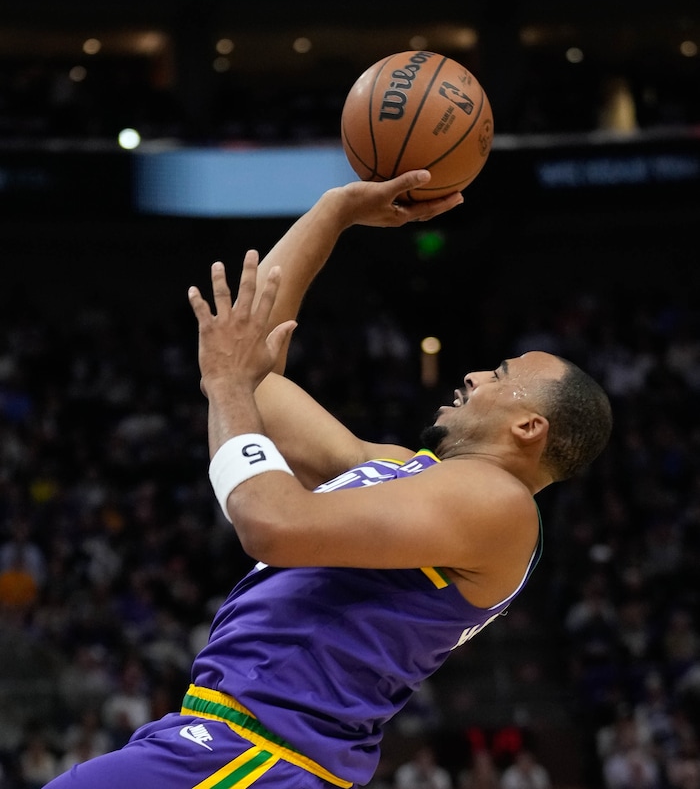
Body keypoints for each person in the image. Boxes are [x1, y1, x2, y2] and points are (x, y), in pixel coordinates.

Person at [42, 168, 613, 789]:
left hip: (261, 755)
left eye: (499, 375)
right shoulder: (404, 473)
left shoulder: (498, 504)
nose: (475, 375)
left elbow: (270, 522)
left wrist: (230, 385)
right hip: (231, 746)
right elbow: (253, 372)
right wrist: (334, 212)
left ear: (529, 428)